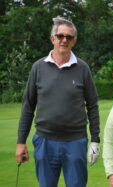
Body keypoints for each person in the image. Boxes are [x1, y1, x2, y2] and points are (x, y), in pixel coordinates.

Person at [15, 16, 100, 187]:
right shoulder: (38, 68)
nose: (64, 40)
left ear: (74, 41)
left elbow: (92, 105)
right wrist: (21, 142)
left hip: (75, 142)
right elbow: (28, 107)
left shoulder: (82, 68)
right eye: (60, 36)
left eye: (69, 37)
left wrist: (95, 139)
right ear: (52, 39)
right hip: (45, 141)